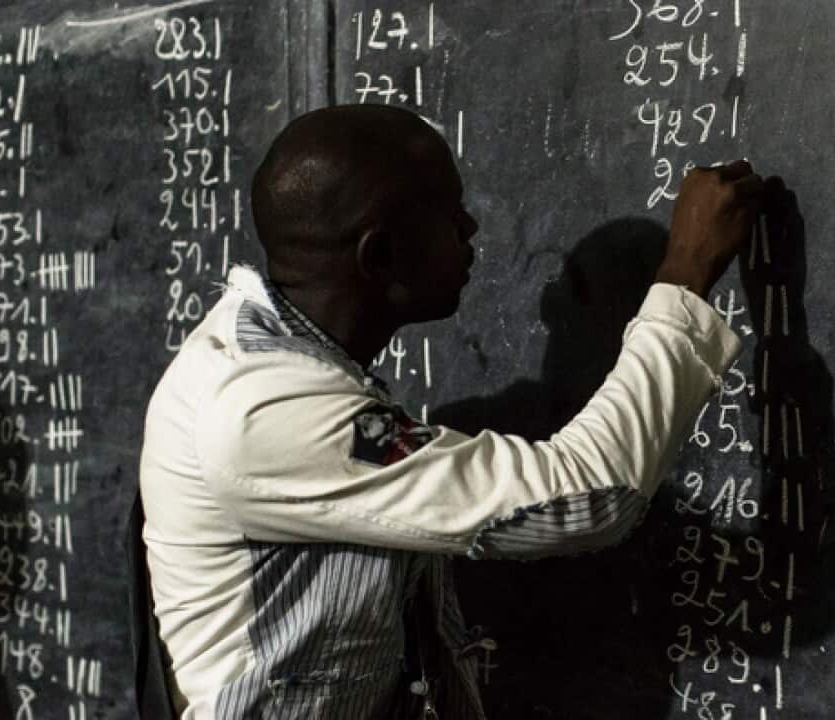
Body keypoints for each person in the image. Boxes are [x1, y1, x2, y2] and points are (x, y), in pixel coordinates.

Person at [138, 104, 762, 718]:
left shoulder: (275, 359)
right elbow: (587, 497)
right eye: (448, 213)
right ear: (378, 255)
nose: (471, 229)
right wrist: (685, 275)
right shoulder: (263, 407)